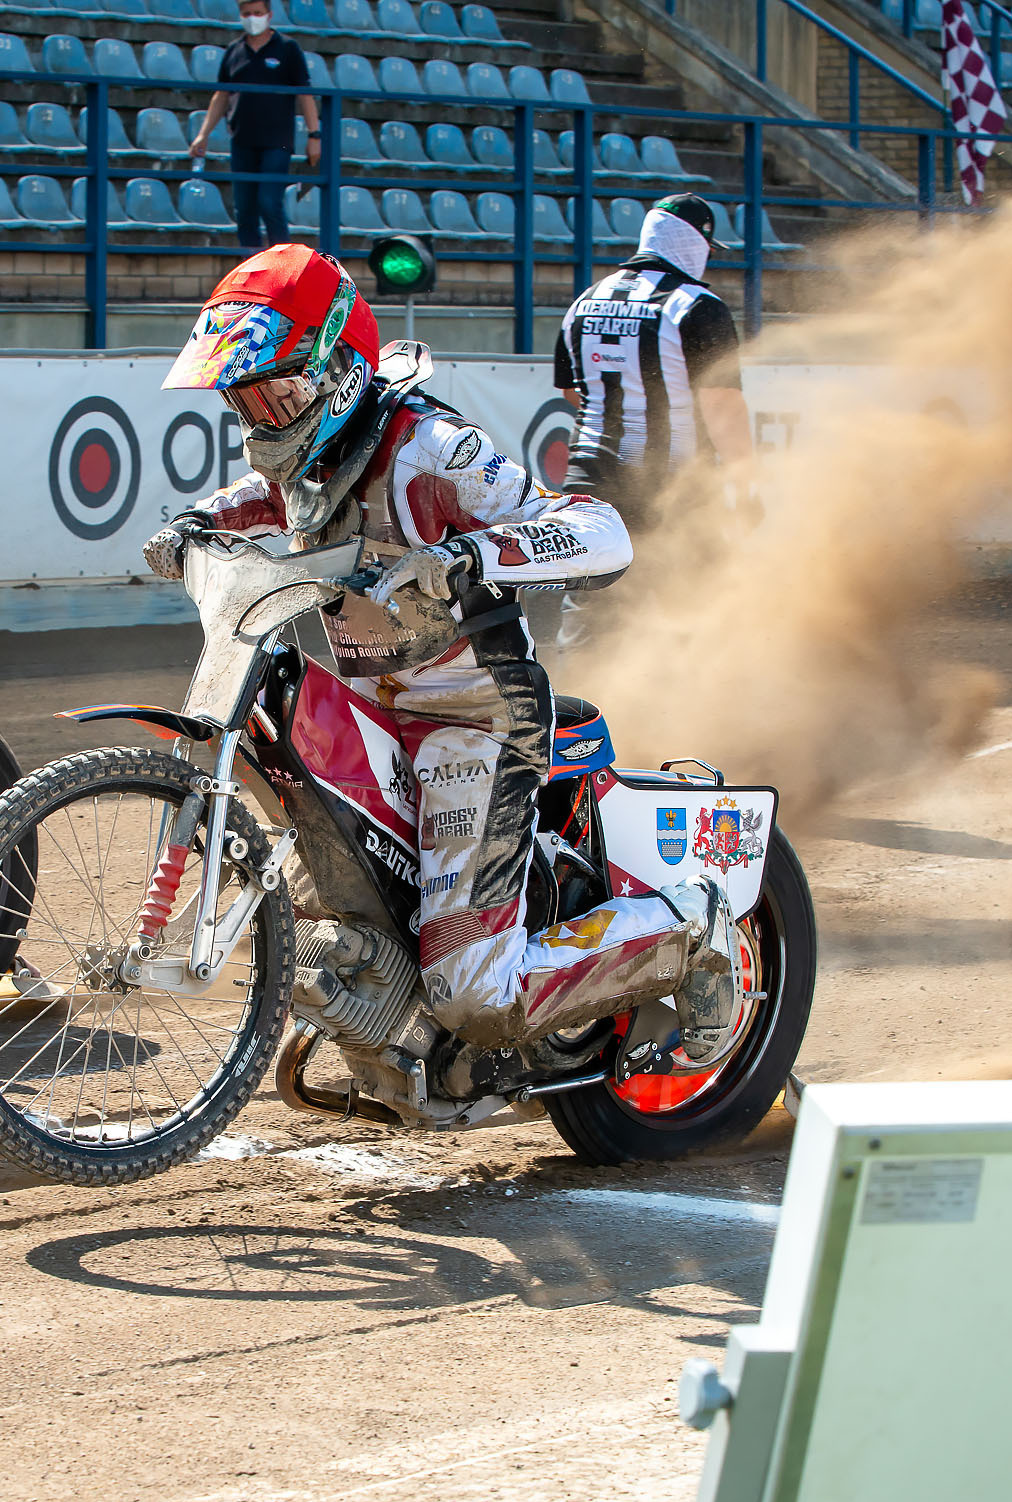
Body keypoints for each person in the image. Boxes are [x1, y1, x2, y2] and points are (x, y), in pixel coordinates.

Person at [143, 245, 741, 1072]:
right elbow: (260, 499)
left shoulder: (430, 445)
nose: (263, 417)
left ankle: (690, 928)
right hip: (378, 710)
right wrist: (192, 525)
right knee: (324, 900)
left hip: (474, 715)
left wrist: (474, 557)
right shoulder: (308, 458)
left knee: (476, 993)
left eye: (279, 391)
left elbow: (599, 530)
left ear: (335, 368)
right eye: (247, 399)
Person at [548, 191, 750, 652]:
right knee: (693, 592)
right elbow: (723, 406)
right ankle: (683, 702)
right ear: (695, 243)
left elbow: (571, 391)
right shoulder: (698, 306)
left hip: (591, 475)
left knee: (591, 600)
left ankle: (582, 709)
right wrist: (746, 480)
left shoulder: (585, 300)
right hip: (672, 478)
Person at [187, 0, 323, 254]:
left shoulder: (287, 48)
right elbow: (221, 95)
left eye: (257, 13)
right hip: (242, 139)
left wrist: (314, 134)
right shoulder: (234, 50)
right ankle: (251, 270)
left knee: (269, 202)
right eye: (247, 13)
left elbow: (305, 94)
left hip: (277, 140)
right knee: (244, 208)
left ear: (269, 15)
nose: (252, 18)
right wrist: (203, 134)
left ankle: (283, 266)